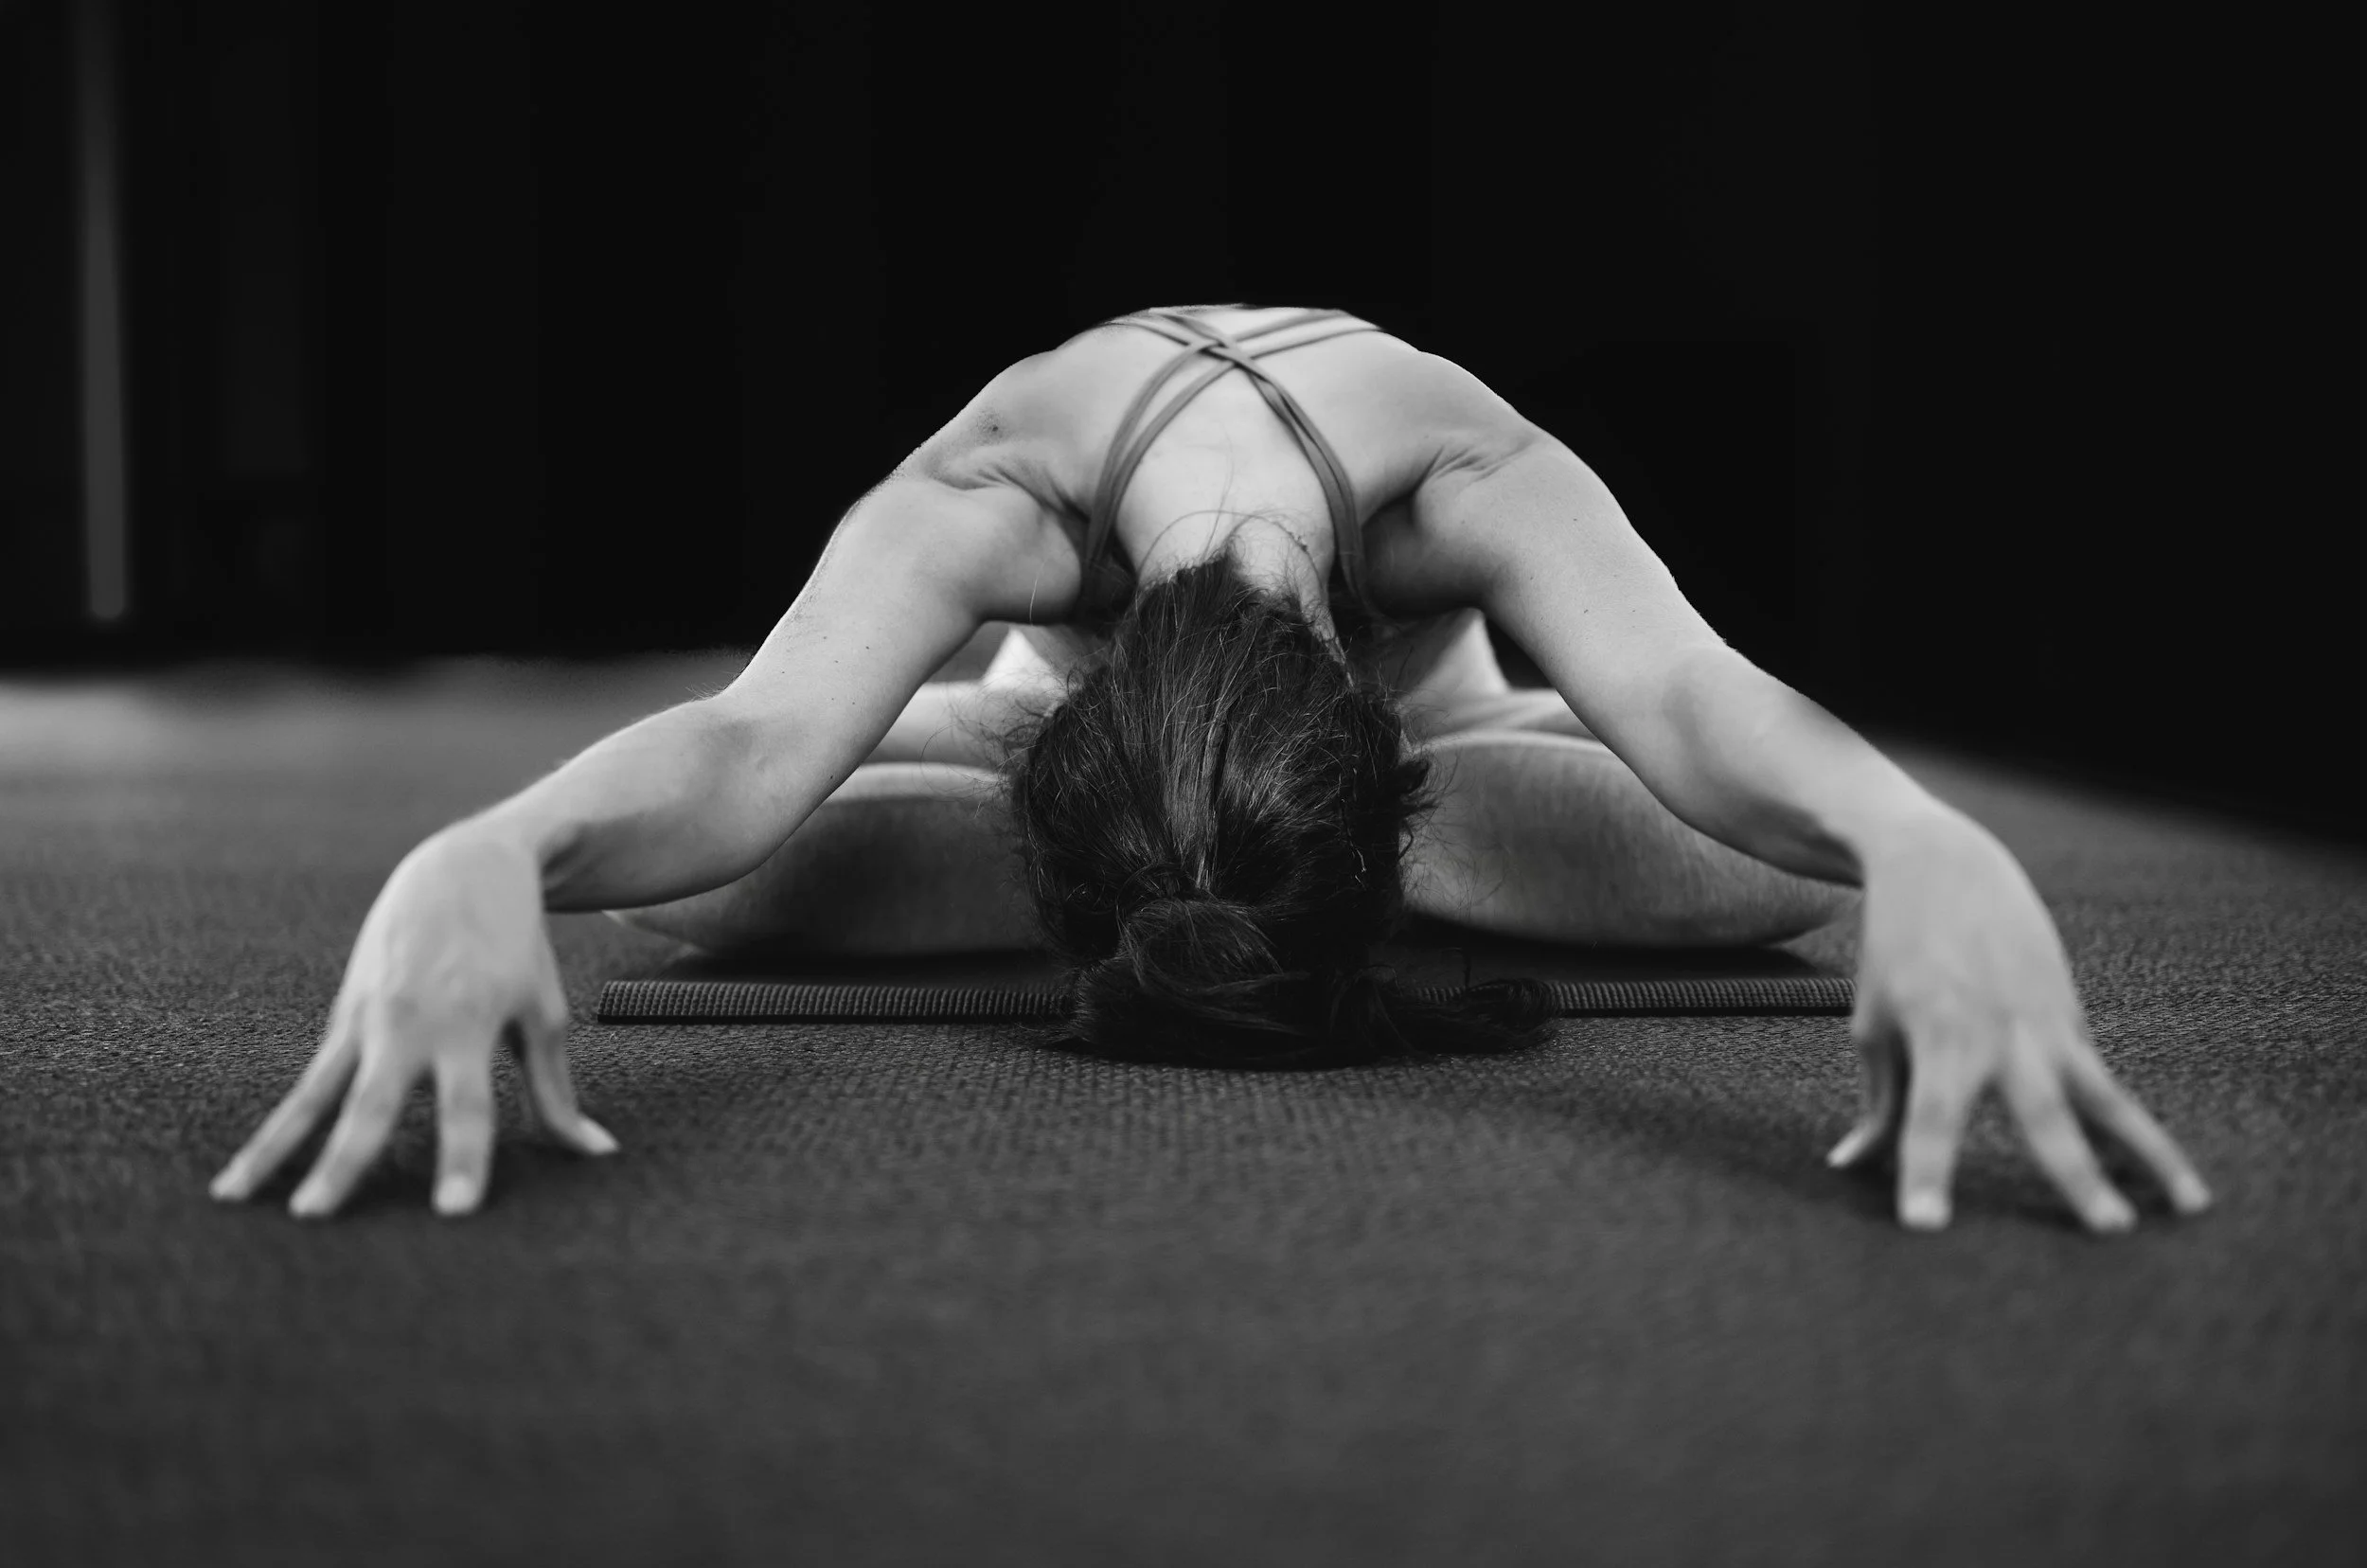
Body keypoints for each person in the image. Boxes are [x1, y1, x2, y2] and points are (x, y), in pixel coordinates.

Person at [208, 303, 2212, 1233]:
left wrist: (1916, 837)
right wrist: (485, 846)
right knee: (699, 871)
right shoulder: (998, 491)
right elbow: (745, 743)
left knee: (1795, 870)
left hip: (1434, 750)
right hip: (1063, 751)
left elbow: (1685, 701)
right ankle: (1207, 849)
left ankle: (1290, 844)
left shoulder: (1461, 474)